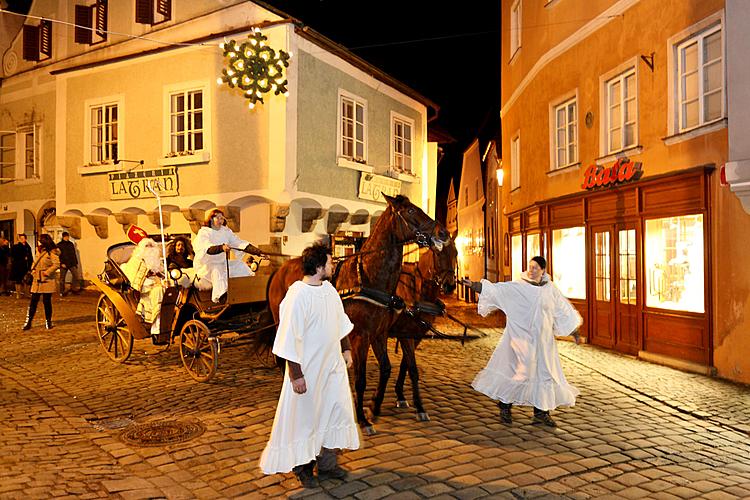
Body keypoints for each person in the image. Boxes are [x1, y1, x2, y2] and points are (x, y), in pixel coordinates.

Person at [259, 243, 359, 488]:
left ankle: (327, 463)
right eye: (330, 261)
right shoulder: (297, 295)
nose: (333, 265)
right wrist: (296, 375)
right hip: (308, 371)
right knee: (305, 418)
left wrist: (345, 348)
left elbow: (340, 321)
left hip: (332, 367)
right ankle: (302, 467)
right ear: (318, 267)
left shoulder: (329, 290)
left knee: (334, 410)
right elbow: (289, 338)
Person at [462, 256, 582, 428]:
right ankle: (505, 407)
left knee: (544, 375)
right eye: (530, 267)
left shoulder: (550, 289)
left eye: (535, 268)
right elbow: (497, 291)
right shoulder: (519, 286)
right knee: (515, 373)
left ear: (543, 270)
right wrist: (474, 285)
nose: (531, 270)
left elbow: (563, 310)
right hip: (519, 340)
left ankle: (541, 413)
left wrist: (574, 332)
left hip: (543, 343)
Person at [193, 208, 264, 302]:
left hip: (223, 263)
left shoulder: (226, 232)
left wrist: (259, 252)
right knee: (217, 270)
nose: (220, 220)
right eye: (217, 218)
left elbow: (239, 243)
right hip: (207, 266)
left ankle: (248, 291)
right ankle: (222, 297)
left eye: (222, 218)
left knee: (240, 265)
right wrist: (221, 248)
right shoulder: (204, 232)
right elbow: (207, 249)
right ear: (211, 219)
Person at [22, 234, 60, 330]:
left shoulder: (52, 252)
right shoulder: (38, 250)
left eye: (40, 240)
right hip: (37, 279)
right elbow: (35, 262)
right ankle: (28, 322)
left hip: (47, 280)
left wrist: (47, 272)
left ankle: (48, 321)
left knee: (47, 302)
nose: (38, 241)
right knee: (33, 301)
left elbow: (56, 264)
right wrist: (33, 270)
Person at [57, 232, 82, 296]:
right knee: (62, 278)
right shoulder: (59, 245)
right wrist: (61, 263)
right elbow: (58, 255)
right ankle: (61, 291)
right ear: (63, 237)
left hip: (71, 263)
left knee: (76, 276)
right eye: (66, 237)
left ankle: (74, 289)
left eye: (67, 236)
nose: (67, 238)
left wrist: (75, 263)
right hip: (63, 264)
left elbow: (73, 254)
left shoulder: (71, 244)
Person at [10, 234, 33, 299]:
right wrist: (22, 258)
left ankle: (27, 293)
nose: (22, 239)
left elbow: (30, 257)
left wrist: (31, 265)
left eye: (23, 238)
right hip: (18, 266)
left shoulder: (28, 247)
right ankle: (18, 294)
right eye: (21, 238)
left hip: (26, 266)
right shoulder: (15, 247)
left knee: (27, 280)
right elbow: (13, 256)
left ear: (25, 239)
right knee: (18, 280)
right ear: (19, 239)